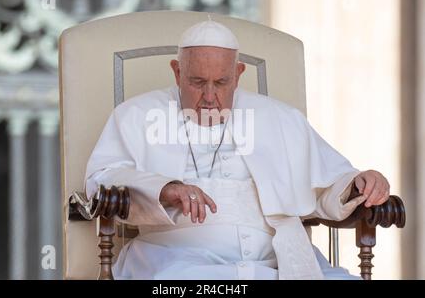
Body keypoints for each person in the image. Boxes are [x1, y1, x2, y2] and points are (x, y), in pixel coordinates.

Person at [84, 19, 390, 280]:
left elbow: (329, 183)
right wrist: (165, 189)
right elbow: (102, 177)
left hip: (278, 263)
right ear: (177, 72)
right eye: (196, 81)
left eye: (221, 82)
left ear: (239, 74)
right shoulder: (136, 115)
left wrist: (360, 183)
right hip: (177, 260)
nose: (209, 96)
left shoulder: (281, 118)